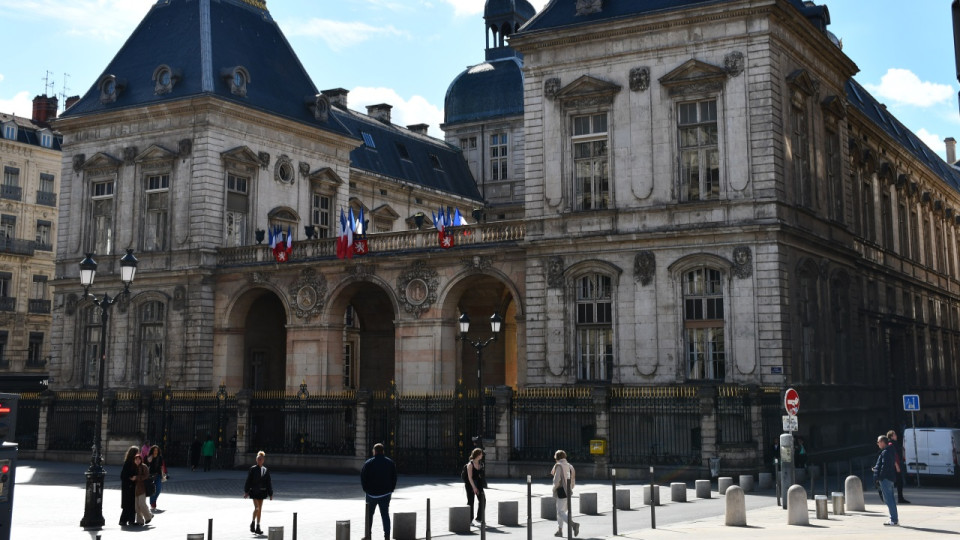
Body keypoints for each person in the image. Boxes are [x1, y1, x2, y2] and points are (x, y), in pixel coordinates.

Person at [360, 443, 398, 540]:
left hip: (371, 494)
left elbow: (363, 477)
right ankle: (387, 536)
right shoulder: (390, 462)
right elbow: (394, 477)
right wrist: (391, 489)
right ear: (383, 451)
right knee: (385, 515)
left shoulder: (368, 463)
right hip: (385, 493)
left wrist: (366, 489)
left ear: (375, 451)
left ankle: (368, 535)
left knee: (369, 516)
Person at [243, 450, 273, 535]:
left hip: (262, 491)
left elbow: (268, 482)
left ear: (263, 460)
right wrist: (246, 491)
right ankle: (252, 522)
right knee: (257, 508)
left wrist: (271, 494)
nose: (260, 460)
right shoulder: (252, 469)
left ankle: (258, 526)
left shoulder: (265, 470)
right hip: (254, 491)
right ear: (256, 460)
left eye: (261, 459)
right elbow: (248, 480)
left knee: (260, 510)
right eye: (258, 459)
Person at [551, 449, 579, 537]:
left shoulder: (559, 466)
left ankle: (573, 525)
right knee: (561, 511)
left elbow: (556, 481)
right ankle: (560, 531)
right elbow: (573, 479)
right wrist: (570, 488)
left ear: (556, 457)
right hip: (568, 490)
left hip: (561, 491)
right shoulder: (569, 466)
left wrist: (554, 489)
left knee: (560, 512)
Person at [873, 435, 899, 526]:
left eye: (878, 442)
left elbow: (885, 466)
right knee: (890, 499)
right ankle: (894, 518)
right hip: (889, 478)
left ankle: (893, 519)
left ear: (883, 442)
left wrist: (880, 477)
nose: (877, 444)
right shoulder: (889, 451)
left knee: (889, 499)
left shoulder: (885, 452)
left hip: (886, 479)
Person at [886, 429, 910, 503]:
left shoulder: (894, 443)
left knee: (899, 482)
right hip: (895, 466)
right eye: (895, 435)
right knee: (897, 482)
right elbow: (893, 456)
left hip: (897, 464)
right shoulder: (891, 444)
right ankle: (898, 498)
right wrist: (897, 465)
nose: (896, 436)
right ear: (892, 436)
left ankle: (900, 497)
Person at [464, 447, 486, 527]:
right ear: (477, 455)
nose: (482, 455)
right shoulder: (470, 464)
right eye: (481, 454)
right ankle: (469, 520)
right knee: (471, 501)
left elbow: (480, 475)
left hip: (478, 484)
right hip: (470, 485)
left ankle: (479, 518)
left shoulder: (480, 464)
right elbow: (470, 477)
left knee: (483, 499)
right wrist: (474, 487)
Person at [119, 446, 140, 526]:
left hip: (133, 486)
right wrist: (131, 478)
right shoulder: (128, 463)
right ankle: (123, 520)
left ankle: (131, 520)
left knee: (132, 504)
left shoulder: (136, 462)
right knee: (127, 504)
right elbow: (123, 476)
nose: (139, 454)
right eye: (137, 452)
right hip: (127, 486)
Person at [133, 452, 153, 526]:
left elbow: (146, 476)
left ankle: (149, 516)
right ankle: (140, 521)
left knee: (142, 504)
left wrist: (137, 477)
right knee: (137, 506)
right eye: (136, 459)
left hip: (142, 488)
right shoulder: (134, 467)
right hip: (136, 489)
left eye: (139, 459)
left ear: (141, 460)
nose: (137, 461)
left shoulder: (144, 466)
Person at [145, 444, 167, 510]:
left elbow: (161, 467)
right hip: (151, 475)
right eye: (154, 450)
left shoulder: (160, 457)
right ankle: (153, 503)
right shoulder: (150, 456)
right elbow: (148, 462)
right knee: (152, 489)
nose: (155, 452)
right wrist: (151, 456)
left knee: (158, 489)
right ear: (152, 451)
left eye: (157, 450)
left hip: (158, 475)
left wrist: (163, 474)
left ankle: (153, 501)